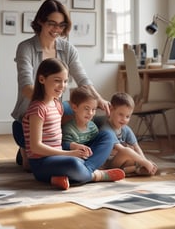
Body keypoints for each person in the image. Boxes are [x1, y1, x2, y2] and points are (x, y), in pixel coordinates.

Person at [11, 0, 110, 169]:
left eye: (62, 25)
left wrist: (98, 99)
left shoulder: (68, 49)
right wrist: (47, 106)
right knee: (28, 165)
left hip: (57, 107)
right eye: (52, 24)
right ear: (41, 21)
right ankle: (31, 149)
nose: (57, 29)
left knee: (87, 114)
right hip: (33, 108)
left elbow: (82, 79)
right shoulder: (25, 48)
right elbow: (26, 86)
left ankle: (81, 156)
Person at [22, 58, 125, 190]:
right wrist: (70, 154)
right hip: (42, 163)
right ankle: (96, 175)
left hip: (59, 156)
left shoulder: (57, 104)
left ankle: (70, 175)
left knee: (108, 137)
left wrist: (75, 147)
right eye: (57, 80)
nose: (62, 86)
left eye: (65, 81)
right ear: (42, 79)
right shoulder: (37, 108)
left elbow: (60, 137)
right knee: (74, 163)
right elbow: (36, 147)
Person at [100, 92, 158, 176]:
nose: (124, 119)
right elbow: (122, 150)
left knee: (133, 153)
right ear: (111, 109)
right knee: (128, 151)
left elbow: (136, 147)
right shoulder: (106, 129)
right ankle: (134, 168)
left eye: (127, 116)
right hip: (107, 164)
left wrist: (144, 160)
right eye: (121, 114)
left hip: (121, 161)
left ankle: (135, 169)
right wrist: (144, 162)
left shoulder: (126, 129)